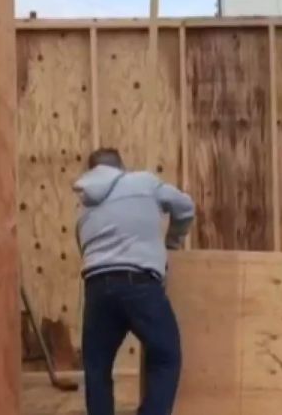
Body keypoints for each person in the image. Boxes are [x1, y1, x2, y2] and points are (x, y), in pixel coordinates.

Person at [74, 148, 195, 415]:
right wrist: (172, 243)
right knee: (165, 356)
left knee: (97, 367)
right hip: (139, 284)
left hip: (96, 288)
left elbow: (83, 248)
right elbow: (185, 207)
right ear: (121, 167)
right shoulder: (142, 182)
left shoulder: (83, 205)